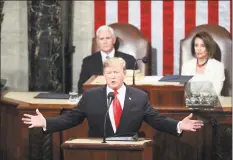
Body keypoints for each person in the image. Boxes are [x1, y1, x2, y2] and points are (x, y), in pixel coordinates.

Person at [22, 57, 203, 138]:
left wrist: (179, 124)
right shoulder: (91, 96)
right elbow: (71, 118)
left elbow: (157, 120)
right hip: (96, 153)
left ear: (124, 73)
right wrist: (46, 123)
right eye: (109, 73)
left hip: (130, 153)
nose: (113, 76)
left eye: (116, 72)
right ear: (104, 74)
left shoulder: (139, 97)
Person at [77, 25, 137, 95]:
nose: (105, 42)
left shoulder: (129, 60)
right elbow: (82, 88)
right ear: (97, 41)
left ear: (114, 40)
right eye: (101, 39)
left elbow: (134, 88)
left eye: (108, 38)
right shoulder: (88, 62)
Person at [181, 31, 225, 95]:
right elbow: (185, 91)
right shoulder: (186, 66)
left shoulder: (218, 66)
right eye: (196, 45)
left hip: (211, 103)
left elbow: (216, 92)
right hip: (190, 103)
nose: (199, 49)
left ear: (208, 47)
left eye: (202, 46)